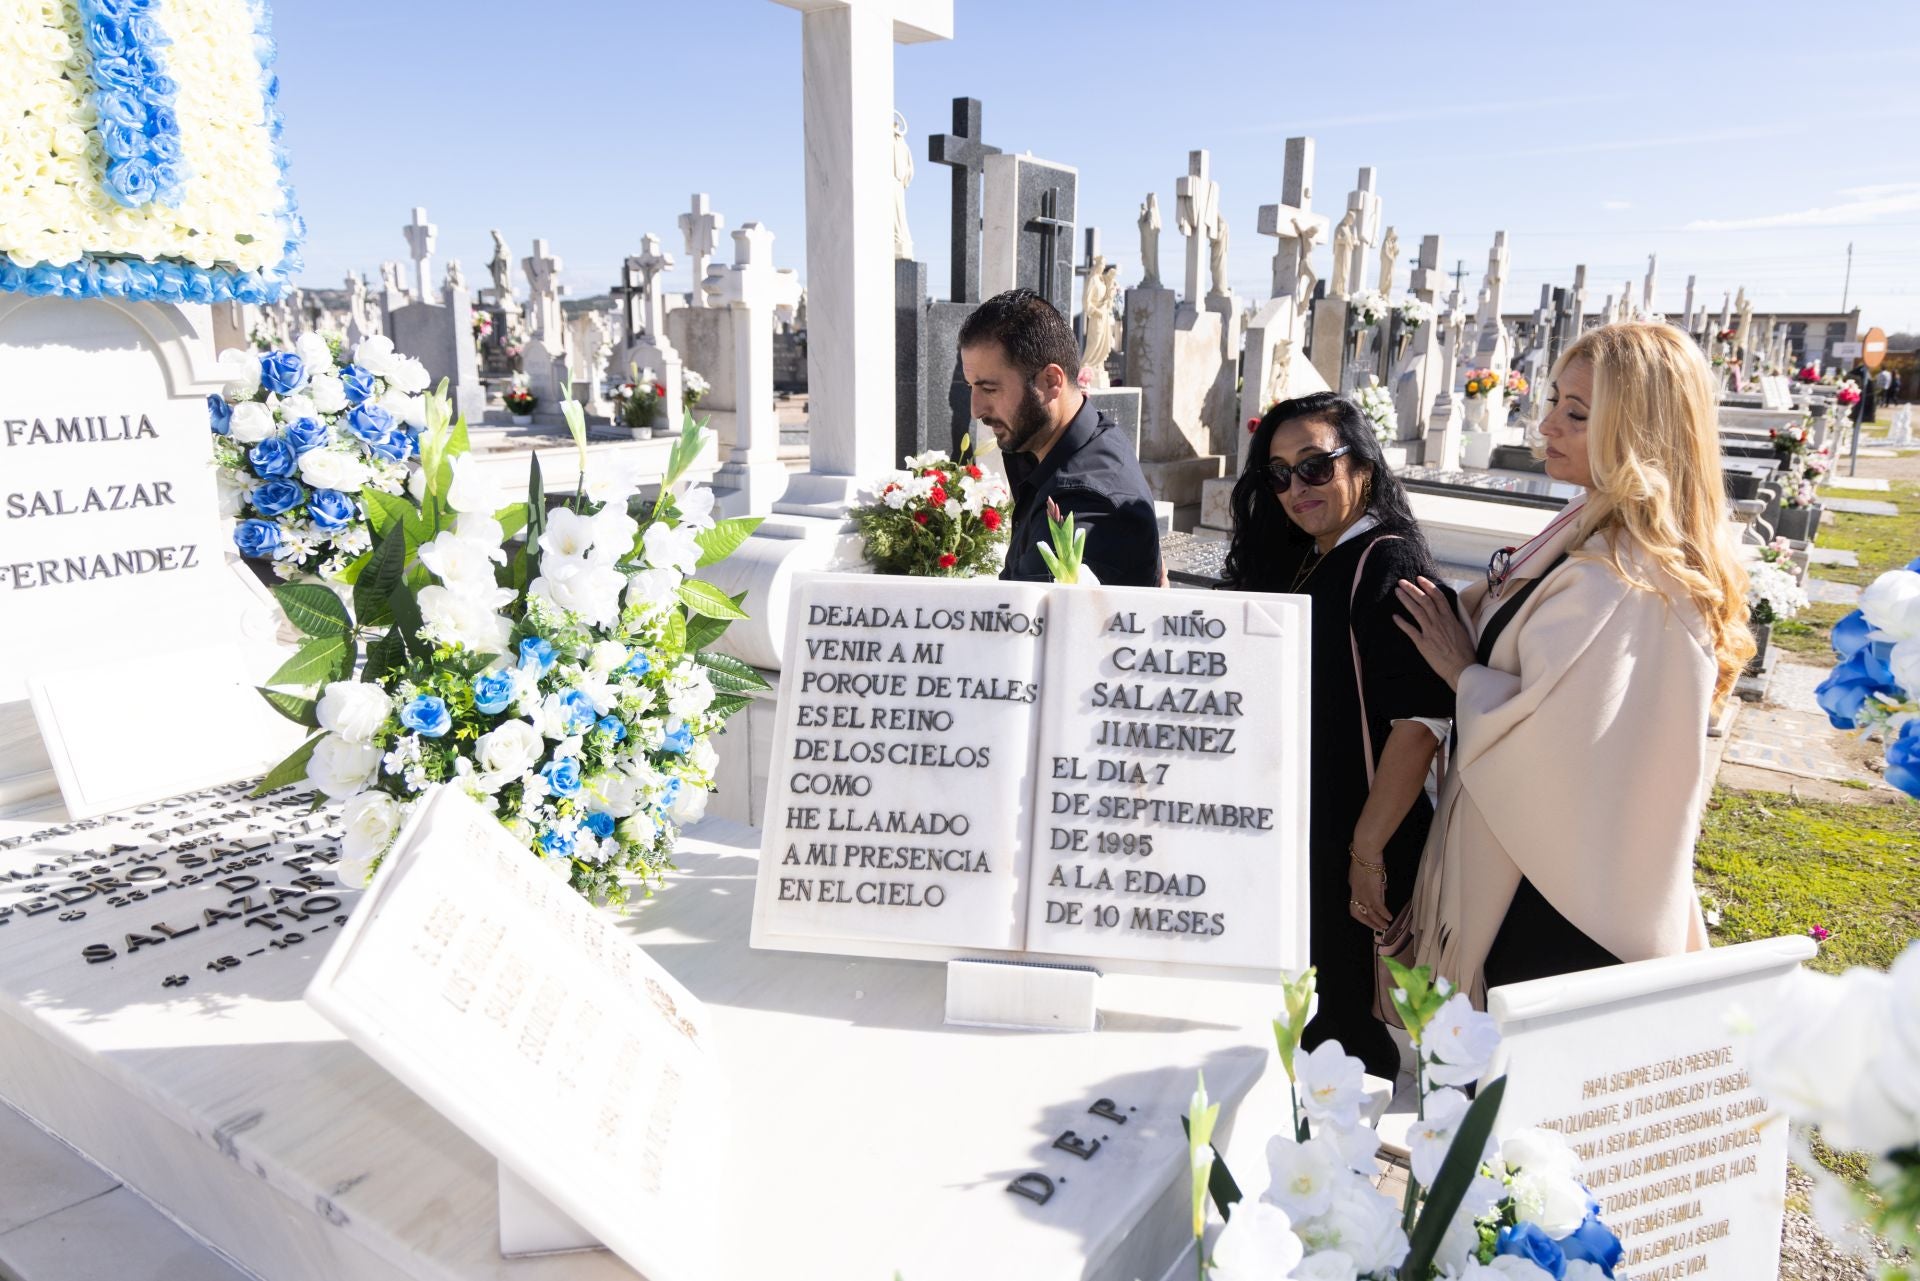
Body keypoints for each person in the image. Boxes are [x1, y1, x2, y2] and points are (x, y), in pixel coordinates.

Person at [1395, 322, 1754, 1001]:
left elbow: (1555, 743)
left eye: (1577, 413)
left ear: (1639, 431)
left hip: (1558, 896)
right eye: (1557, 400)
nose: (1548, 424)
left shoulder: (1627, 577)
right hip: (1551, 859)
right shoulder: (1591, 526)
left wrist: (1461, 672)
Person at [1219, 391, 1455, 1079]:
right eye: (1280, 474)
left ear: (1365, 467)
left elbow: (1419, 725)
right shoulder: (1321, 555)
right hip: (1321, 845)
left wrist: (1366, 850)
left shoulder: (1386, 564)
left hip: (1358, 852)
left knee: (1353, 1035)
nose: (1297, 488)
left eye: (1316, 466)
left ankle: (1350, 1174)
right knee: (1325, 1023)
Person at [960, 289, 1161, 586]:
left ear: (1051, 381)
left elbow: (1024, 624)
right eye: (970, 388)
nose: (976, 409)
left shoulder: (1085, 503)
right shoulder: (1082, 439)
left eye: (989, 389)